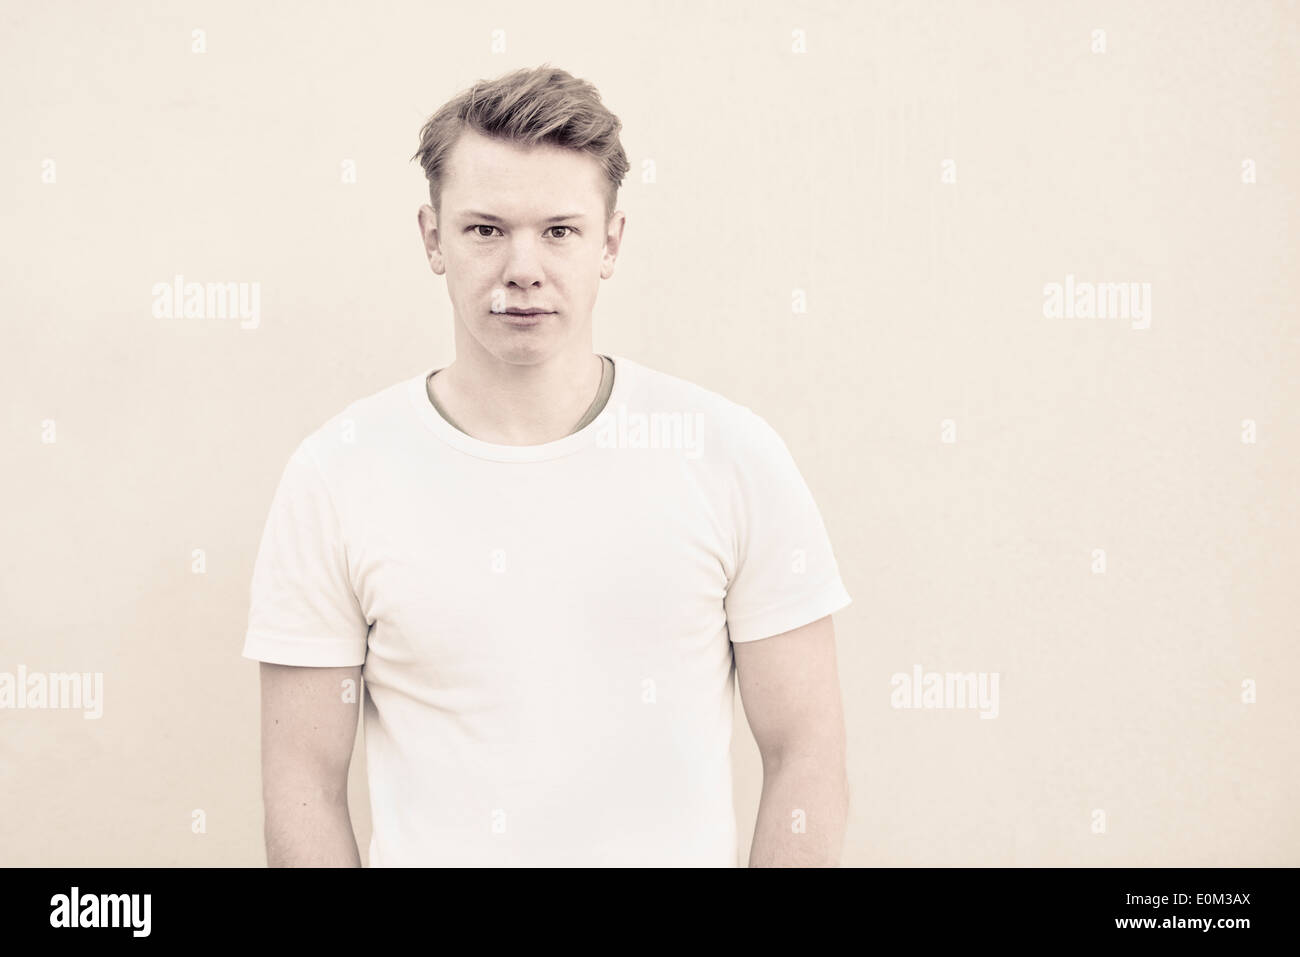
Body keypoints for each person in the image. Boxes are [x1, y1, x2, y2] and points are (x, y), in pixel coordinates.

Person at [242, 64, 852, 867]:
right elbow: (303, 787)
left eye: (559, 230)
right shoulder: (337, 475)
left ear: (611, 241)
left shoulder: (730, 455)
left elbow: (806, 755)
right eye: (485, 229)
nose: (522, 267)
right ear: (433, 238)